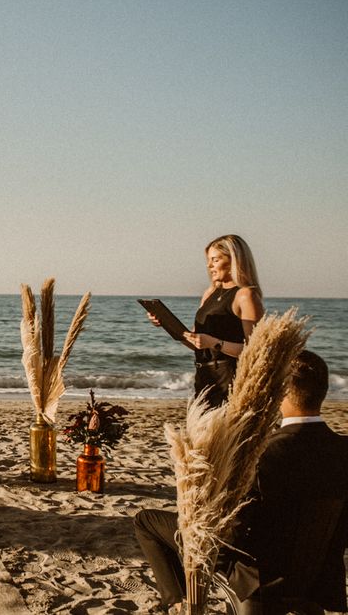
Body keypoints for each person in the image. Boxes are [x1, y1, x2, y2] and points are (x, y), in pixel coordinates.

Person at [134, 350, 348, 613]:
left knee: (146, 521)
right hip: (318, 576)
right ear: (324, 391)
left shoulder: (259, 455)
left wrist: (202, 543)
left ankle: (179, 603)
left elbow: (232, 532)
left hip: (259, 579)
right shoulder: (343, 450)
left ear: (279, 391)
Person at [148, 234, 264, 407]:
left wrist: (216, 343)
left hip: (230, 379)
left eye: (215, 260)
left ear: (234, 260)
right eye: (208, 260)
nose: (209, 266)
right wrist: (165, 323)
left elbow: (255, 350)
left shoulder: (245, 295)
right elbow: (195, 343)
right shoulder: (209, 293)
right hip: (204, 376)